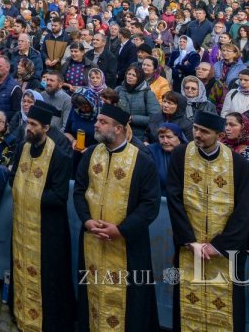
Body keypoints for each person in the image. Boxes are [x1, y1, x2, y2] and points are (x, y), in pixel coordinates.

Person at [73, 103, 161, 332]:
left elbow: (150, 205)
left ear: (119, 128)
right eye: (98, 120)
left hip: (126, 245)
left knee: (130, 304)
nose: (96, 124)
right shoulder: (91, 153)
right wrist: (86, 220)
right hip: (92, 240)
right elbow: (80, 191)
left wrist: (121, 230)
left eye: (102, 122)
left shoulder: (141, 160)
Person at [165, 110, 249, 332]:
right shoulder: (180, 155)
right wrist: (188, 240)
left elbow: (244, 211)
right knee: (187, 303)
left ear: (220, 135)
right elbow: (174, 200)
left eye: (204, 131)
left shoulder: (238, 164)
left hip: (224, 251)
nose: (198, 135)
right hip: (189, 248)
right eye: (195, 129)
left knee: (226, 307)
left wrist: (219, 246)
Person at [8, 102, 75, 332]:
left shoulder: (59, 154)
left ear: (46, 128)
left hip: (47, 227)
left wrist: (30, 192)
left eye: (34, 125)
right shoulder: (23, 147)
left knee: (47, 274)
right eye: (28, 122)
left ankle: (46, 320)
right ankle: (20, 310)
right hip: (21, 222)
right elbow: (13, 174)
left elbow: (59, 195)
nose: (29, 128)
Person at [116, 64, 160, 142]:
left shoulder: (148, 94)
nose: (130, 76)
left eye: (134, 75)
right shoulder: (119, 90)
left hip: (139, 137)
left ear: (139, 78)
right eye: (128, 74)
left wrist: (132, 118)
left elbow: (155, 118)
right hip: (119, 134)